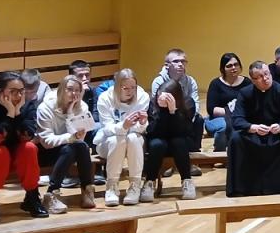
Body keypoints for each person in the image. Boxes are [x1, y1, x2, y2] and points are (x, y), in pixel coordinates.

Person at [0, 71, 46, 223]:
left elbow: (28, 136)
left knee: (29, 148)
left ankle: (32, 198)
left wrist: (17, 113)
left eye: (21, 91)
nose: (19, 96)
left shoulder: (27, 106)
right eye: (13, 91)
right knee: (0, 152)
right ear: (0, 92)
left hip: (13, 150)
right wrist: (9, 115)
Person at [226, 61, 280, 196]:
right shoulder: (245, 93)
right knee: (235, 138)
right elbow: (237, 119)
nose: (266, 78)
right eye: (260, 76)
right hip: (253, 135)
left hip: (276, 134)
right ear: (253, 80)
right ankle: (241, 187)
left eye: (267, 74)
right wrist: (252, 127)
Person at [35, 75, 97, 214]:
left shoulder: (82, 107)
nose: (74, 93)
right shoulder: (45, 108)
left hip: (70, 149)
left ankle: (87, 190)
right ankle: (51, 194)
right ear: (61, 90)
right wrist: (70, 137)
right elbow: (46, 142)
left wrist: (70, 113)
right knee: (72, 148)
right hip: (46, 152)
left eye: (77, 90)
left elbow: (79, 139)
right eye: (69, 89)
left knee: (80, 146)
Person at [95, 68, 149, 206]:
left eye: (133, 87)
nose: (130, 91)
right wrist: (123, 126)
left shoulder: (142, 96)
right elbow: (107, 128)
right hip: (108, 142)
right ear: (117, 86)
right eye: (125, 88)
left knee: (133, 138)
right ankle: (111, 186)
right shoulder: (105, 98)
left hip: (133, 141)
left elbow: (140, 129)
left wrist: (143, 123)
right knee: (117, 139)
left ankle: (135, 185)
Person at [143, 77, 197, 201]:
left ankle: (187, 181)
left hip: (180, 140)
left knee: (178, 142)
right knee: (157, 144)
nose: (161, 98)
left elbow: (184, 131)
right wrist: (162, 111)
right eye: (159, 95)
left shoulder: (188, 103)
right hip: (159, 138)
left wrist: (173, 112)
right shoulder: (152, 104)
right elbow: (152, 131)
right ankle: (149, 182)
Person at [151, 49, 204, 160]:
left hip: (184, 117)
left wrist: (184, 119)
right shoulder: (158, 81)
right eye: (176, 61)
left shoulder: (190, 81)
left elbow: (195, 104)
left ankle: (194, 154)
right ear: (167, 65)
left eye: (183, 61)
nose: (180, 64)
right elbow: (156, 107)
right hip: (165, 118)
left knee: (199, 119)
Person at [205, 53, 250, 152]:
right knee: (224, 127)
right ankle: (219, 154)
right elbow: (211, 109)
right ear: (223, 69)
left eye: (236, 64)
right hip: (218, 119)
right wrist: (231, 112)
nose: (233, 68)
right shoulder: (215, 84)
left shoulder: (247, 82)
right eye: (229, 66)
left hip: (240, 117)